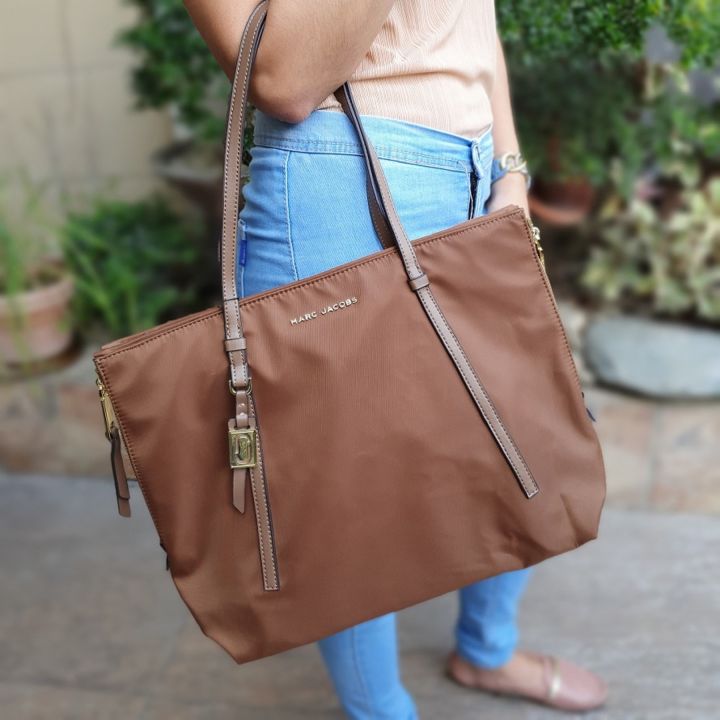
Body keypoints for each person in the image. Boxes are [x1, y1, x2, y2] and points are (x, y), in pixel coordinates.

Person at [185, 1, 608, 717]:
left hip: (478, 174)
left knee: (532, 427)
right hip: (339, 180)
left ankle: (486, 650)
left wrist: (510, 166)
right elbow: (286, 79)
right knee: (352, 505)